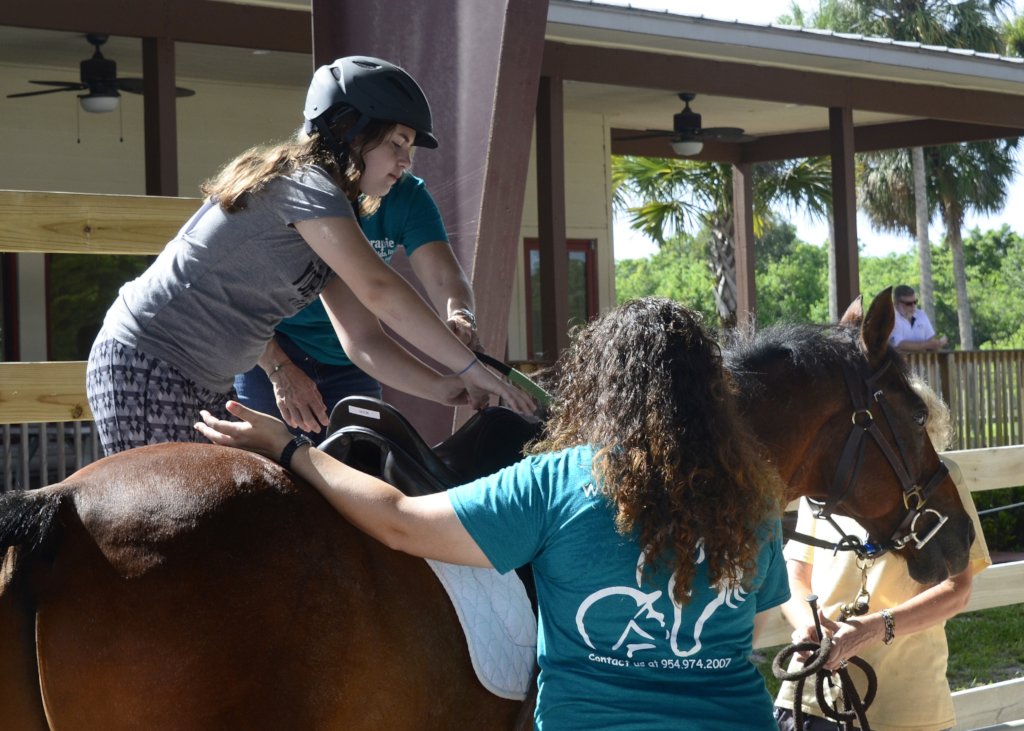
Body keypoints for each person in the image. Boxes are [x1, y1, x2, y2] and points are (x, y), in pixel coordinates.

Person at [196, 297, 791, 730]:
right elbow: (756, 631)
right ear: (713, 397)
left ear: (603, 389)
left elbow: (400, 520)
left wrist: (289, 448)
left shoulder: (559, 482)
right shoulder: (752, 496)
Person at [86, 55, 531, 455]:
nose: (407, 161)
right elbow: (379, 289)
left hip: (199, 374)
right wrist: (471, 366)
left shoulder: (333, 209)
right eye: (397, 143)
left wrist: (442, 388)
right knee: (173, 532)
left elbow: (363, 338)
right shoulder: (306, 185)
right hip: (149, 359)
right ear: (348, 130)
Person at [773, 378, 991, 731]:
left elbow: (958, 590)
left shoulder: (941, 480)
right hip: (812, 698)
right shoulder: (825, 486)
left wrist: (874, 628)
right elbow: (795, 571)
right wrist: (807, 625)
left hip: (905, 707)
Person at [233, 170, 478, 443]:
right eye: (396, 143)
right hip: (271, 345)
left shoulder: (408, 193)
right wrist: (279, 369)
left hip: (346, 358)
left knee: (363, 462)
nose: (405, 159)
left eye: (409, 146)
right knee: (269, 465)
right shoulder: (311, 192)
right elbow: (242, 302)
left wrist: (460, 314)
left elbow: (442, 277)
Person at [889, 285, 947, 353]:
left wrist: (937, 344)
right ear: (896, 304)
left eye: (915, 302)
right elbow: (898, 345)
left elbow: (931, 340)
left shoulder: (921, 315)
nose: (913, 306)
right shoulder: (891, 319)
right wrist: (927, 345)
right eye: (908, 304)